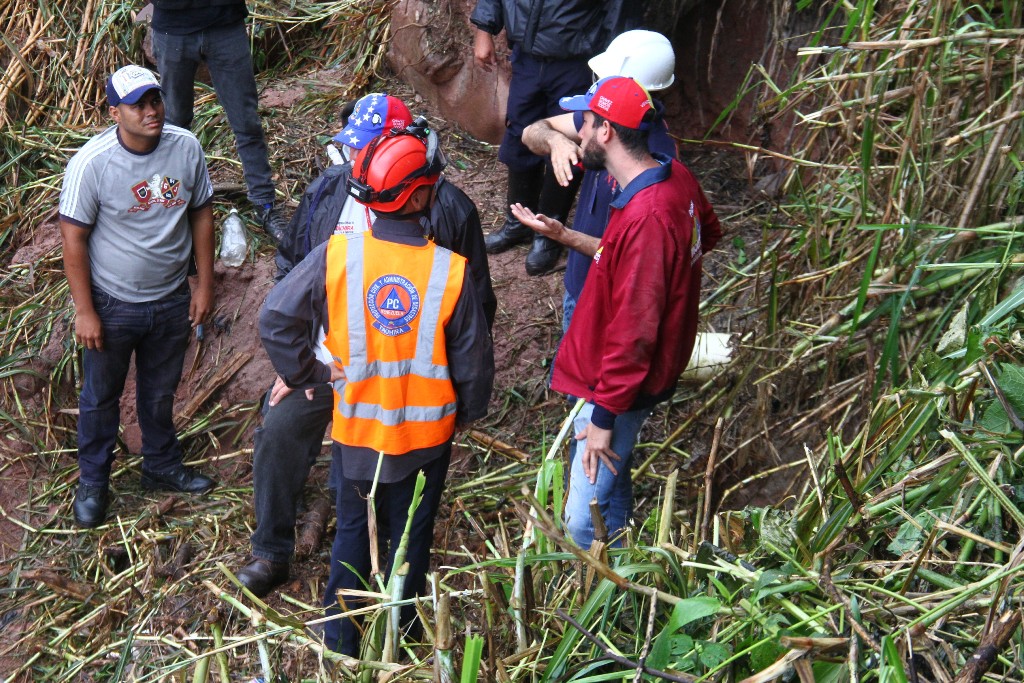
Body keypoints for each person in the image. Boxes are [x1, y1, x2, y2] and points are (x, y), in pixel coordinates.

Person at [234, 94, 496, 598]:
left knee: (371, 485)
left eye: (368, 148)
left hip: (401, 372)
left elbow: (474, 306)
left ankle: (368, 566)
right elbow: (290, 269)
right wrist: (300, 366)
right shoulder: (329, 189)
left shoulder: (448, 208)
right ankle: (271, 551)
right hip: (328, 362)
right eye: (353, 148)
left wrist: (457, 400)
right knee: (279, 430)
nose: (358, 159)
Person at [511, 77, 722, 548]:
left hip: (616, 386)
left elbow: (634, 334)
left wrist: (602, 420)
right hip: (627, 378)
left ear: (605, 131)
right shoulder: (672, 179)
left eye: (585, 123)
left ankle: (597, 602)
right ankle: (622, 554)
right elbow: (705, 233)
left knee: (582, 519)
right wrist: (565, 236)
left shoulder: (647, 216)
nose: (578, 133)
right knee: (609, 486)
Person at [59, 65, 217, 529]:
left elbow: (202, 214)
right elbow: (73, 239)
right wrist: (85, 311)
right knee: (101, 396)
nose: (151, 111)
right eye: (138, 105)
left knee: (159, 389)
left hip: (170, 298)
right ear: (115, 112)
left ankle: (161, 465)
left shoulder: (185, 147)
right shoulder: (94, 163)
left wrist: (203, 285)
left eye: (155, 100)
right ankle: (93, 481)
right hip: (112, 303)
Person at [521, 29, 680, 334]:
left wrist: (564, 236)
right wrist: (555, 141)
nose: (581, 132)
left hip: (611, 302)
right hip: (582, 282)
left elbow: (634, 259)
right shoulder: (609, 120)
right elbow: (532, 131)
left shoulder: (657, 177)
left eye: (604, 80)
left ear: (606, 129)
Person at [470, 0, 637, 276]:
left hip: (576, 61)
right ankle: (518, 223)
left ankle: (548, 232)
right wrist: (484, 29)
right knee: (519, 132)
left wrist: (611, 71)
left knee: (569, 141)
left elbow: (619, 11)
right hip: (526, 57)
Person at [149, 0, 287, 242]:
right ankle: (172, 205)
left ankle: (265, 205)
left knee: (246, 121)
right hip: (173, 27)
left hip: (225, 24)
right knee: (174, 126)